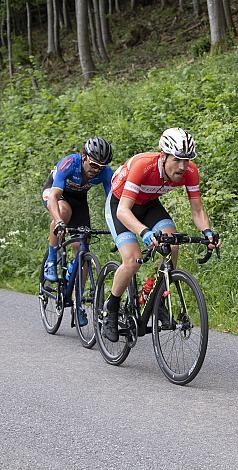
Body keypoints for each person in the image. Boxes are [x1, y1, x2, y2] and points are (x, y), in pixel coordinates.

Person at [102, 128, 218, 342]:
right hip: (121, 205)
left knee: (173, 244)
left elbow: (198, 210)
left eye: (187, 160)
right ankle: (111, 307)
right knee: (132, 260)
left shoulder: (190, 171)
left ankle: (157, 296)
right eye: (177, 160)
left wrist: (207, 232)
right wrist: (144, 232)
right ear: (163, 156)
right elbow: (122, 211)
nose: (183, 166)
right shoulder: (143, 166)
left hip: (148, 204)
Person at [42, 137, 114, 295]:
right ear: (84, 156)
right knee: (63, 212)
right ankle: (51, 259)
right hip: (56, 193)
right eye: (94, 165)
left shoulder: (106, 172)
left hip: (79, 199)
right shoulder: (70, 163)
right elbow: (54, 196)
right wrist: (59, 222)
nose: (96, 170)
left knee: (83, 246)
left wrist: (117, 228)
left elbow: (112, 202)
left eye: (101, 167)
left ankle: (78, 300)